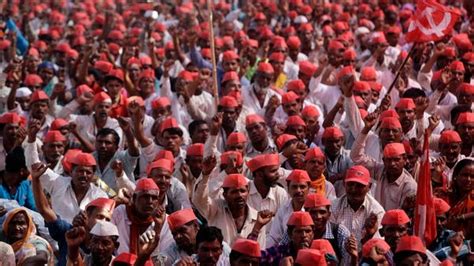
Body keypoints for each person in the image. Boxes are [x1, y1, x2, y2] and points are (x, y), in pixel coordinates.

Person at [0, 146, 36, 211]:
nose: (31, 172)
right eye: (30, 169)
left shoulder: (25, 184)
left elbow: (34, 208)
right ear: (22, 171)